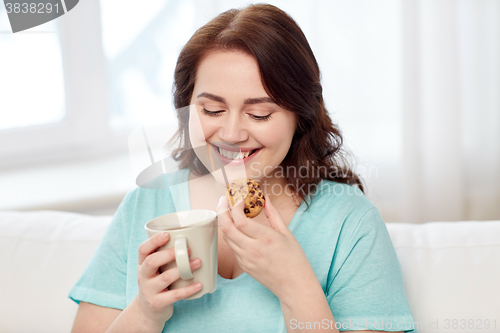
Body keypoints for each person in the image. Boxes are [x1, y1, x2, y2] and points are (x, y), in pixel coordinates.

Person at [69, 4, 417, 333]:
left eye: (259, 114)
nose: (232, 134)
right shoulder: (144, 206)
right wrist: (145, 312)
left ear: (301, 114)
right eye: (212, 111)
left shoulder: (350, 224)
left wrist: (295, 284)